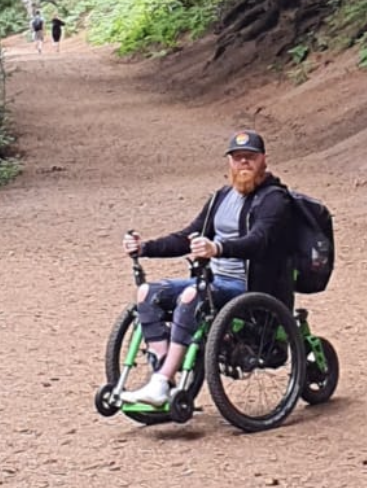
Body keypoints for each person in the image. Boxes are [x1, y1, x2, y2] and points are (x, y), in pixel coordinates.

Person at [119, 130, 295, 406]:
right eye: (238, 158)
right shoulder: (221, 197)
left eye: (250, 157)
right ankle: (164, 376)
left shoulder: (274, 199)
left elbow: (259, 240)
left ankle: (161, 381)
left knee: (191, 297)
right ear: (230, 163)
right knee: (146, 293)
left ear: (263, 160)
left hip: (248, 286)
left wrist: (219, 248)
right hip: (213, 281)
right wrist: (145, 248)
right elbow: (187, 236)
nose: (243, 163)